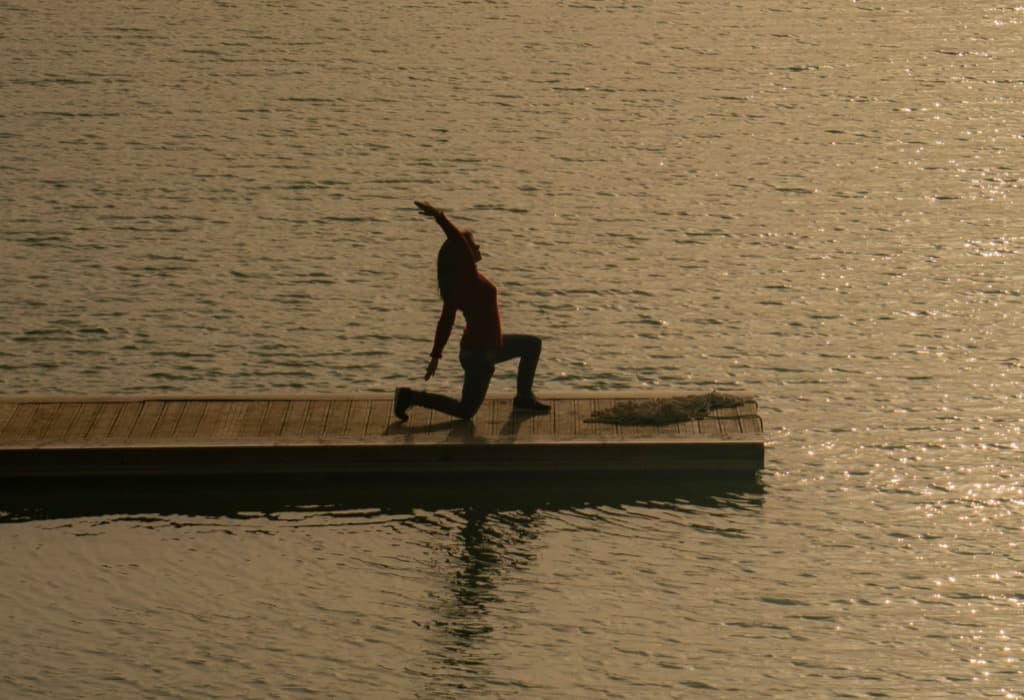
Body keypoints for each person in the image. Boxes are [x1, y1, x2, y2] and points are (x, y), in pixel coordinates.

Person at [394, 201, 550, 421]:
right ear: (463, 256)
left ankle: (523, 398)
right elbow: (458, 242)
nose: (478, 248)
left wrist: (436, 356)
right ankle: (411, 397)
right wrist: (439, 216)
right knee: (465, 411)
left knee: (532, 345)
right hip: (479, 355)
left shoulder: (457, 284)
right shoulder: (467, 276)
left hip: (488, 347)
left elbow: (445, 322)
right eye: (474, 246)